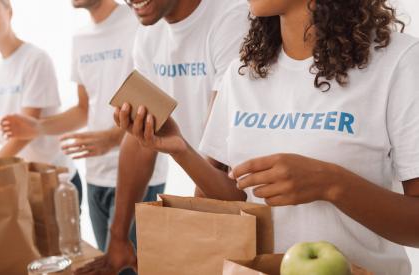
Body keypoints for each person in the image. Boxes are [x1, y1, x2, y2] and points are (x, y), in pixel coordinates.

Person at [112, 0, 419, 274]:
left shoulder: (400, 62)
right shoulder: (243, 73)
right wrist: (180, 150)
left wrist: (331, 184)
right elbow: (235, 200)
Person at [74, 0, 249, 274]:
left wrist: (192, 247)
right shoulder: (148, 34)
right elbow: (139, 140)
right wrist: (118, 238)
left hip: (251, 206)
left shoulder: (231, 17)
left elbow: (217, 155)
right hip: (215, 196)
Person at [0, 2, 164, 272]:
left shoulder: (140, 22)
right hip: (95, 176)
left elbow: (156, 104)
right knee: (107, 266)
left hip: (141, 174)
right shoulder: (80, 38)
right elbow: (83, 110)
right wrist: (37, 127)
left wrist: (112, 139)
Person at [0, 0, 82, 202]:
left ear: (9, 10)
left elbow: (24, 133)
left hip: (55, 180)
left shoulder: (35, 59)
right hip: (24, 180)